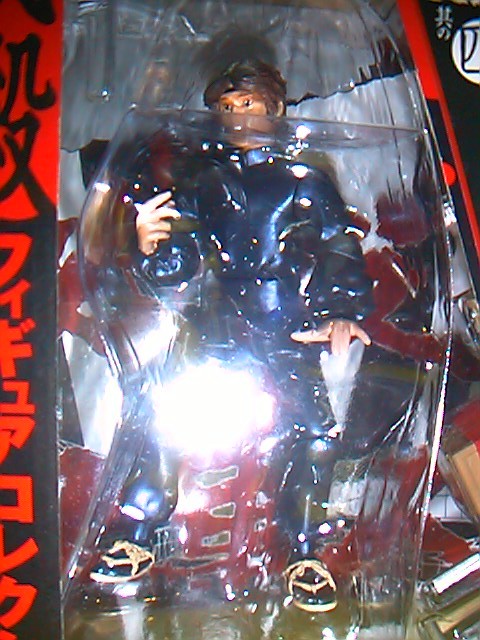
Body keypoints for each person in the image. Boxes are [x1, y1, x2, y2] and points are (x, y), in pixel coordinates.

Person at [89, 57, 374, 613]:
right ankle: (138, 529)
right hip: (215, 322)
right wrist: (150, 244)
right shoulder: (202, 181)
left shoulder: (303, 180)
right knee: (163, 415)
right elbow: (177, 262)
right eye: (226, 107)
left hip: (285, 325)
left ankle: (304, 546)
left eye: (248, 104)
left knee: (318, 431)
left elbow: (339, 243)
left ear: (275, 108)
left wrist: (340, 309)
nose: (237, 116)